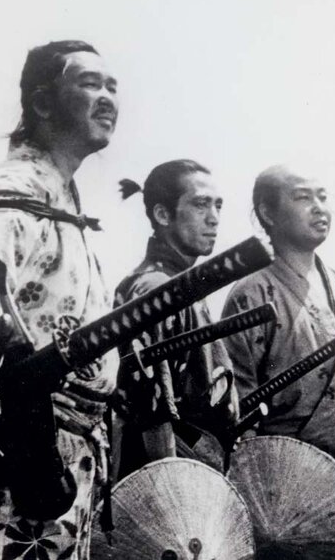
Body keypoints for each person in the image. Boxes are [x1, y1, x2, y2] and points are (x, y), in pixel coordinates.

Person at [0, 40, 119, 560]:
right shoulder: (16, 191)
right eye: (90, 83)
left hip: (65, 457)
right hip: (19, 452)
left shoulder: (62, 198)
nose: (107, 97)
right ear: (41, 103)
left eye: (112, 86)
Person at [220, 165, 335, 479]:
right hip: (282, 477)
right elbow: (239, 407)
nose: (319, 207)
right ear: (268, 213)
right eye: (303, 197)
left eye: (322, 197)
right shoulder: (251, 294)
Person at [112, 159, 238, 477]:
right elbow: (152, 413)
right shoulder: (156, 289)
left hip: (197, 466)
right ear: (163, 214)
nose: (214, 218)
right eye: (200, 204)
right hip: (163, 474)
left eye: (218, 205)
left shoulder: (182, 285)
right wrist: (174, 490)